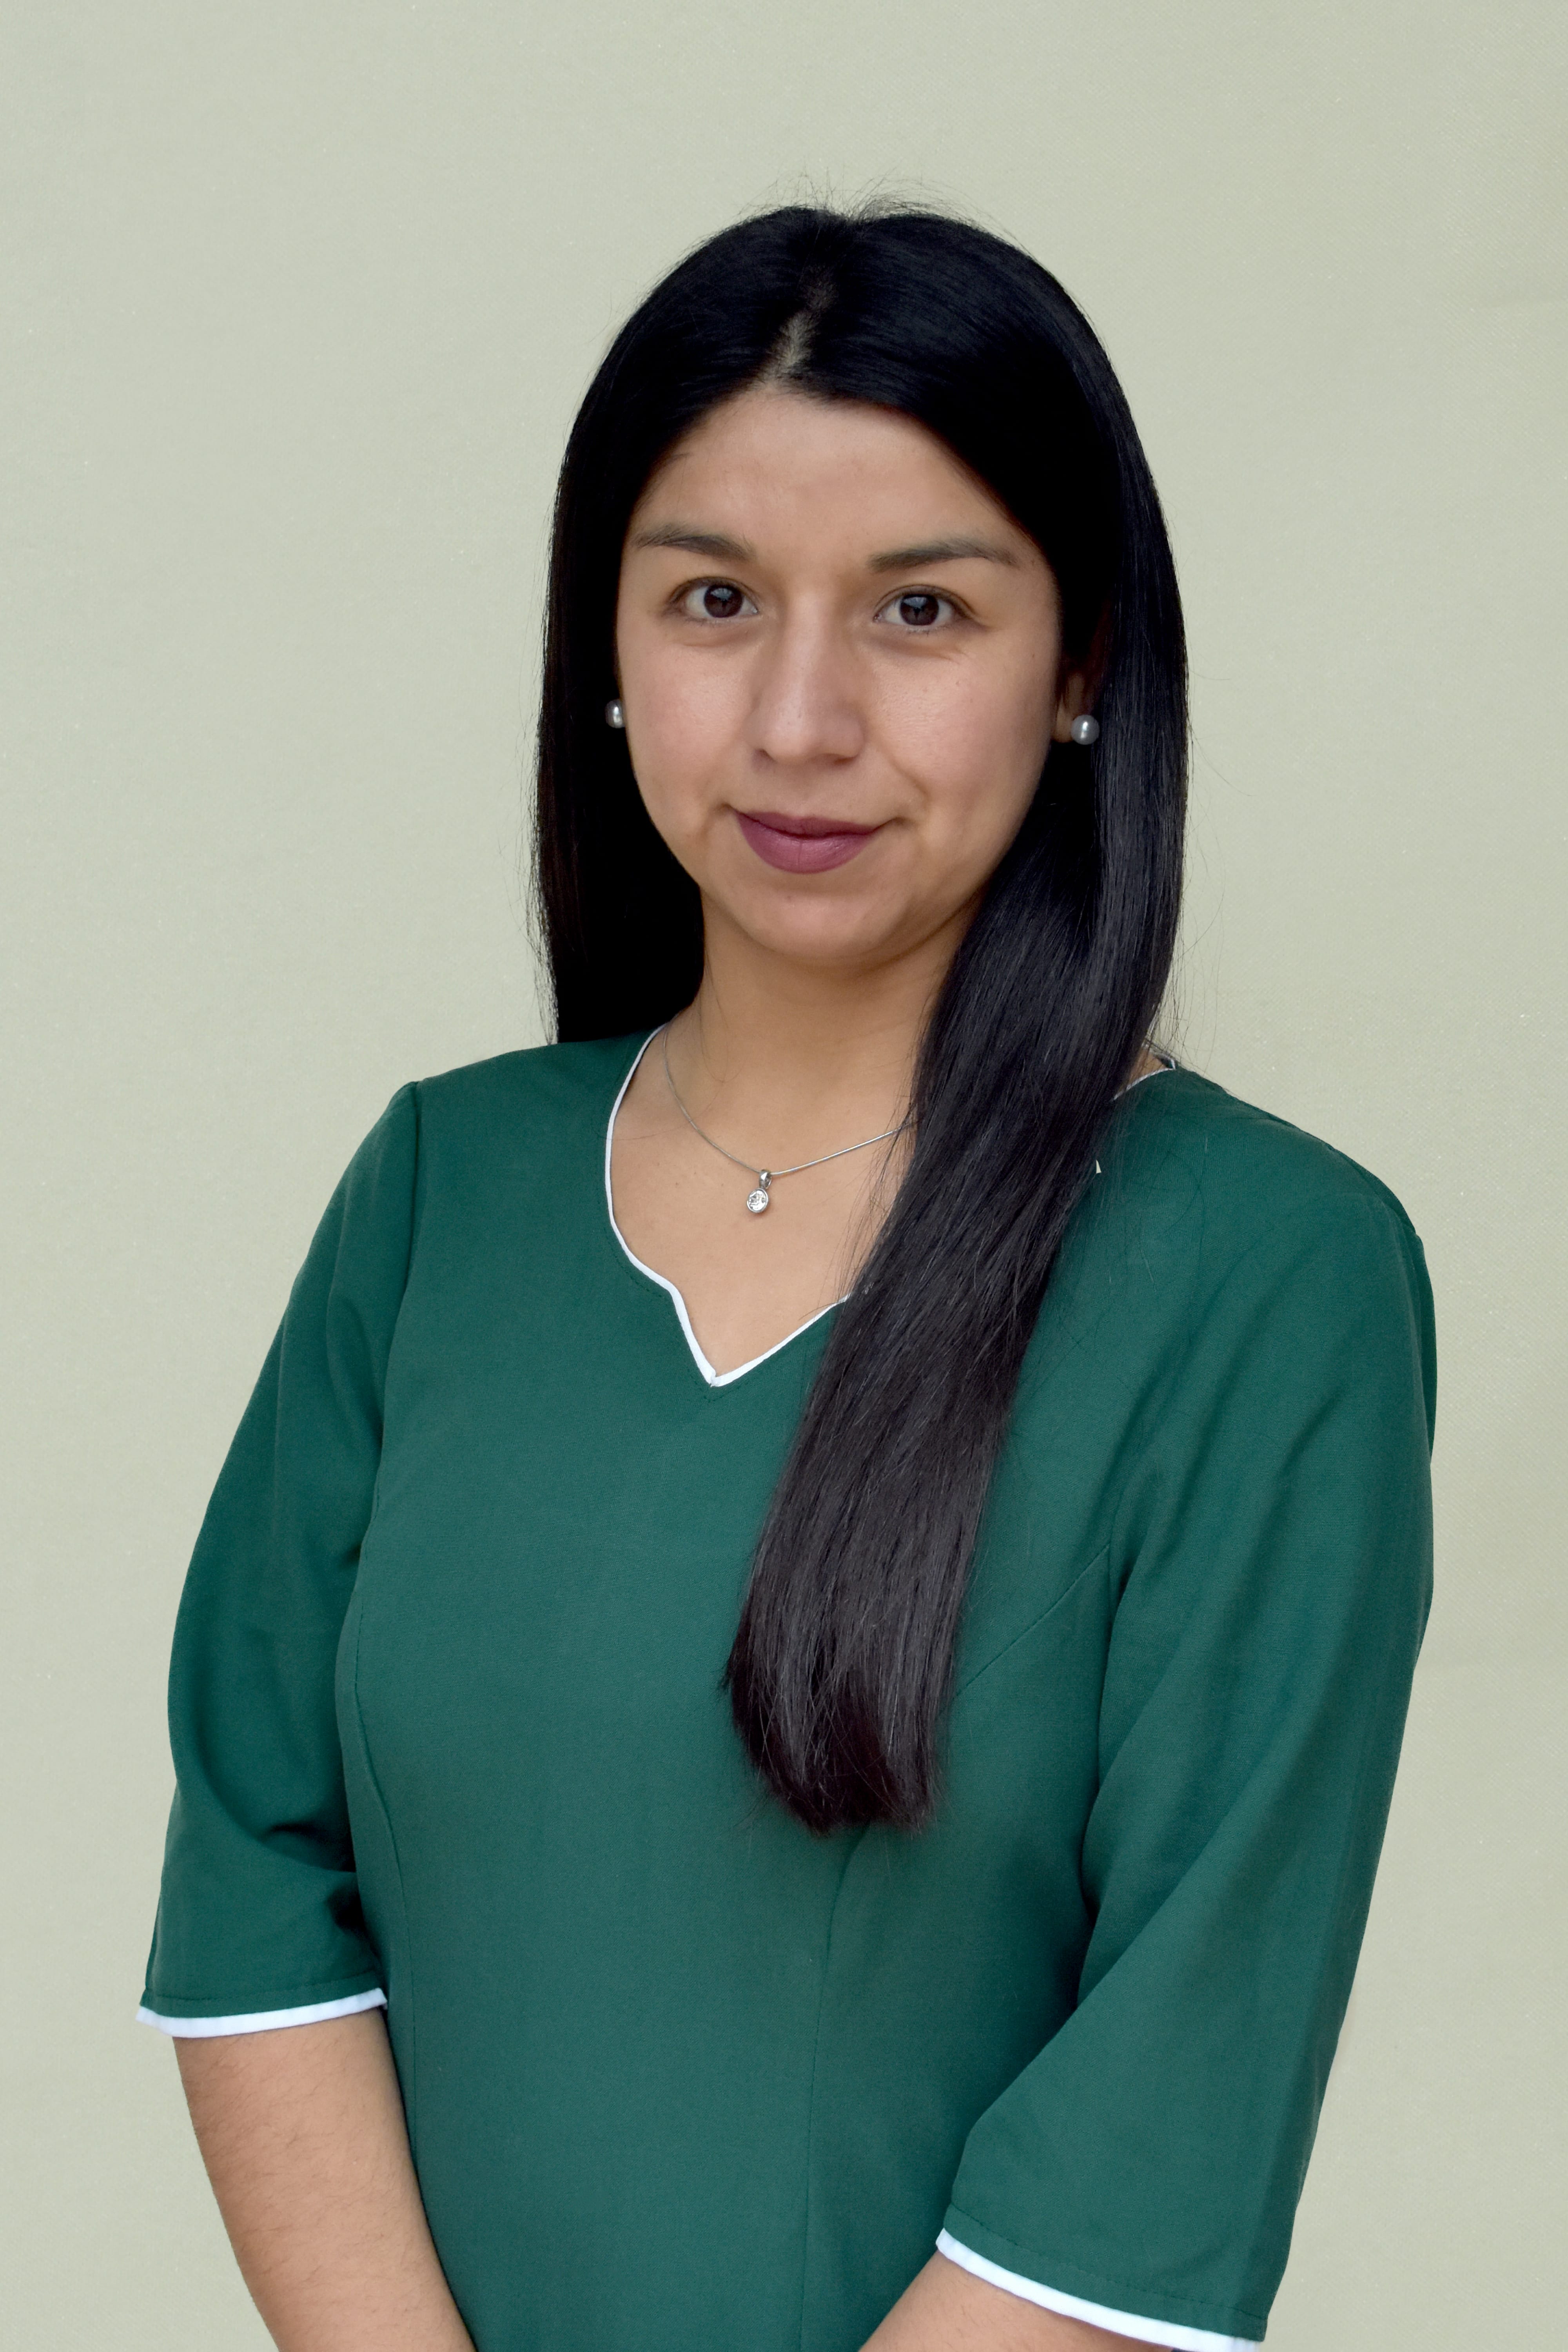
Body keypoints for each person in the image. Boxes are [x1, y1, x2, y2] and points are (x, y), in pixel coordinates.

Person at [138, 204, 1436, 2352]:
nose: (801, 718)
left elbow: (1163, 2123)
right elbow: (257, 1875)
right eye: (716, 600)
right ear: (607, 643)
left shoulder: (1268, 1278)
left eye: (923, 609)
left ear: (1085, 661)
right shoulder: (444, 1191)